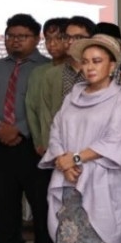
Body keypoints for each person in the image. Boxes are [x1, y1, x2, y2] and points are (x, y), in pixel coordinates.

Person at [39, 35, 121, 243]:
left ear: (112, 66)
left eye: (98, 61)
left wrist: (76, 158)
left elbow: (116, 140)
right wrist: (62, 159)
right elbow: (56, 130)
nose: (90, 67)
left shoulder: (120, 101)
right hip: (69, 184)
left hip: (103, 185)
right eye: (86, 62)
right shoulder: (72, 97)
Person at [0, 14, 52, 243]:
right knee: (2, 203)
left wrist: (20, 129)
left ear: (37, 39)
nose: (15, 40)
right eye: (10, 35)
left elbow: (48, 108)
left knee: (41, 206)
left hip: (33, 145)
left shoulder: (46, 68)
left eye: (22, 36)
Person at [27, 17, 97, 159]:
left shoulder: (102, 72)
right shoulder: (52, 74)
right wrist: (54, 152)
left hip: (95, 151)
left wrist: (79, 158)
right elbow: (47, 116)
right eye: (67, 37)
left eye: (77, 37)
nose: (70, 42)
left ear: (92, 39)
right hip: (61, 152)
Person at [25, 17, 71, 156]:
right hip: (46, 145)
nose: (52, 44)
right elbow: (31, 108)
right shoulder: (38, 72)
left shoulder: (78, 70)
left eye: (58, 38)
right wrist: (39, 141)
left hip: (74, 145)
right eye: (48, 39)